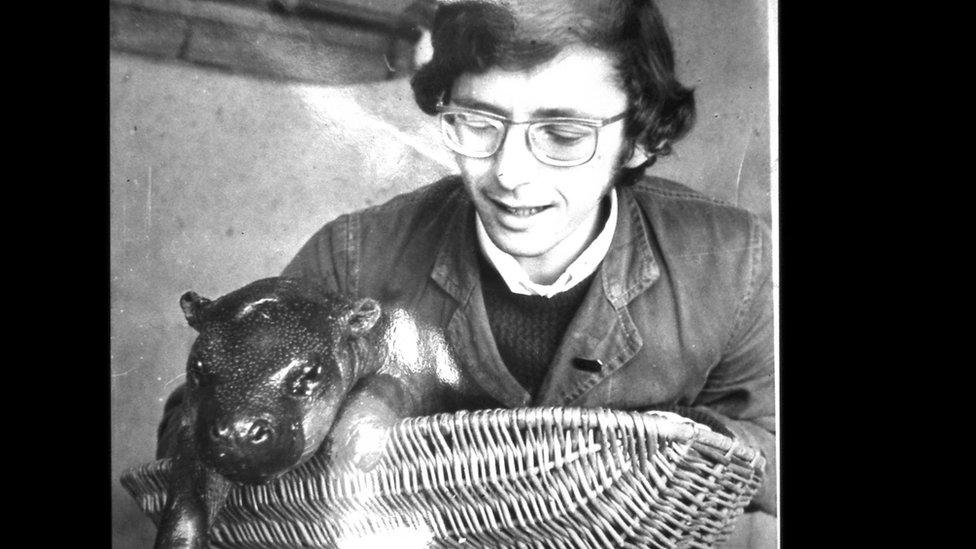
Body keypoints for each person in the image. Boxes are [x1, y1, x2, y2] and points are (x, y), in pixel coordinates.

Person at [162, 0, 776, 543]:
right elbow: (195, 427)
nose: (508, 172)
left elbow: (770, 454)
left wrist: (670, 442)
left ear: (639, 140)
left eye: (562, 135)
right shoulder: (349, 257)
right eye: (478, 123)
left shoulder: (734, 258)